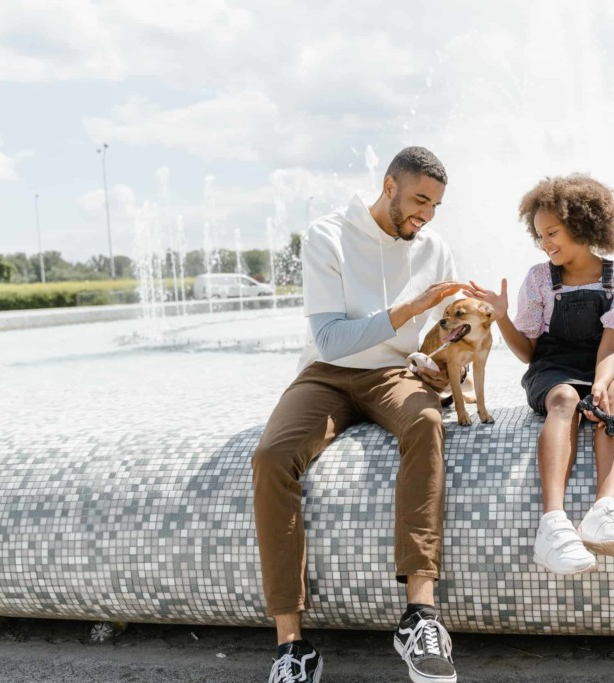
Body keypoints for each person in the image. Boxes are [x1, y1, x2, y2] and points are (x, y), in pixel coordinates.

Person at [252, 146, 464, 683]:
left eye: (436, 205)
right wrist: (409, 311)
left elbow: (447, 333)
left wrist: (446, 370)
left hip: (395, 374)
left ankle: (419, 616)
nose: (427, 215)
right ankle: (292, 647)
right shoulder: (328, 235)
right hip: (326, 372)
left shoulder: (434, 247)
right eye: (419, 200)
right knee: (273, 456)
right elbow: (330, 337)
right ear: (389, 186)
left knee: (427, 423)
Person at [467, 173, 614, 576]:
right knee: (566, 398)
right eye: (538, 236)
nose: (544, 243)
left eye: (552, 232)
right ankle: (552, 525)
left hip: (600, 360)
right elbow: (527, 353)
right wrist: (501, 318)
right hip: (551, 366)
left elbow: (611, 346)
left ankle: (607, 508)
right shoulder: (539, 279)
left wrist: (602, 383)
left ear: (583, 225)